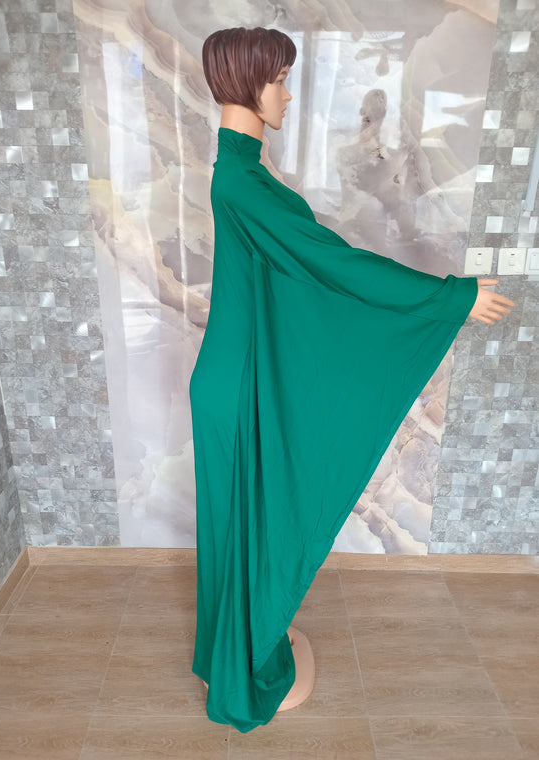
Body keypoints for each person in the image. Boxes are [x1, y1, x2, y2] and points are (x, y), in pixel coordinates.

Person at [189, 26, 514, 734]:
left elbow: (305, 274)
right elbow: (332, 265)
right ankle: (238, 670)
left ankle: (231, 650)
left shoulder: (244, 172)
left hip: (239, 372)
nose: (287, 94)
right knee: (251, 526)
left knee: (246, 526)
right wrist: (449, 297)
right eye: (278, 80)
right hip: (238, 385)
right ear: (245, 82)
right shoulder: (240, 184)